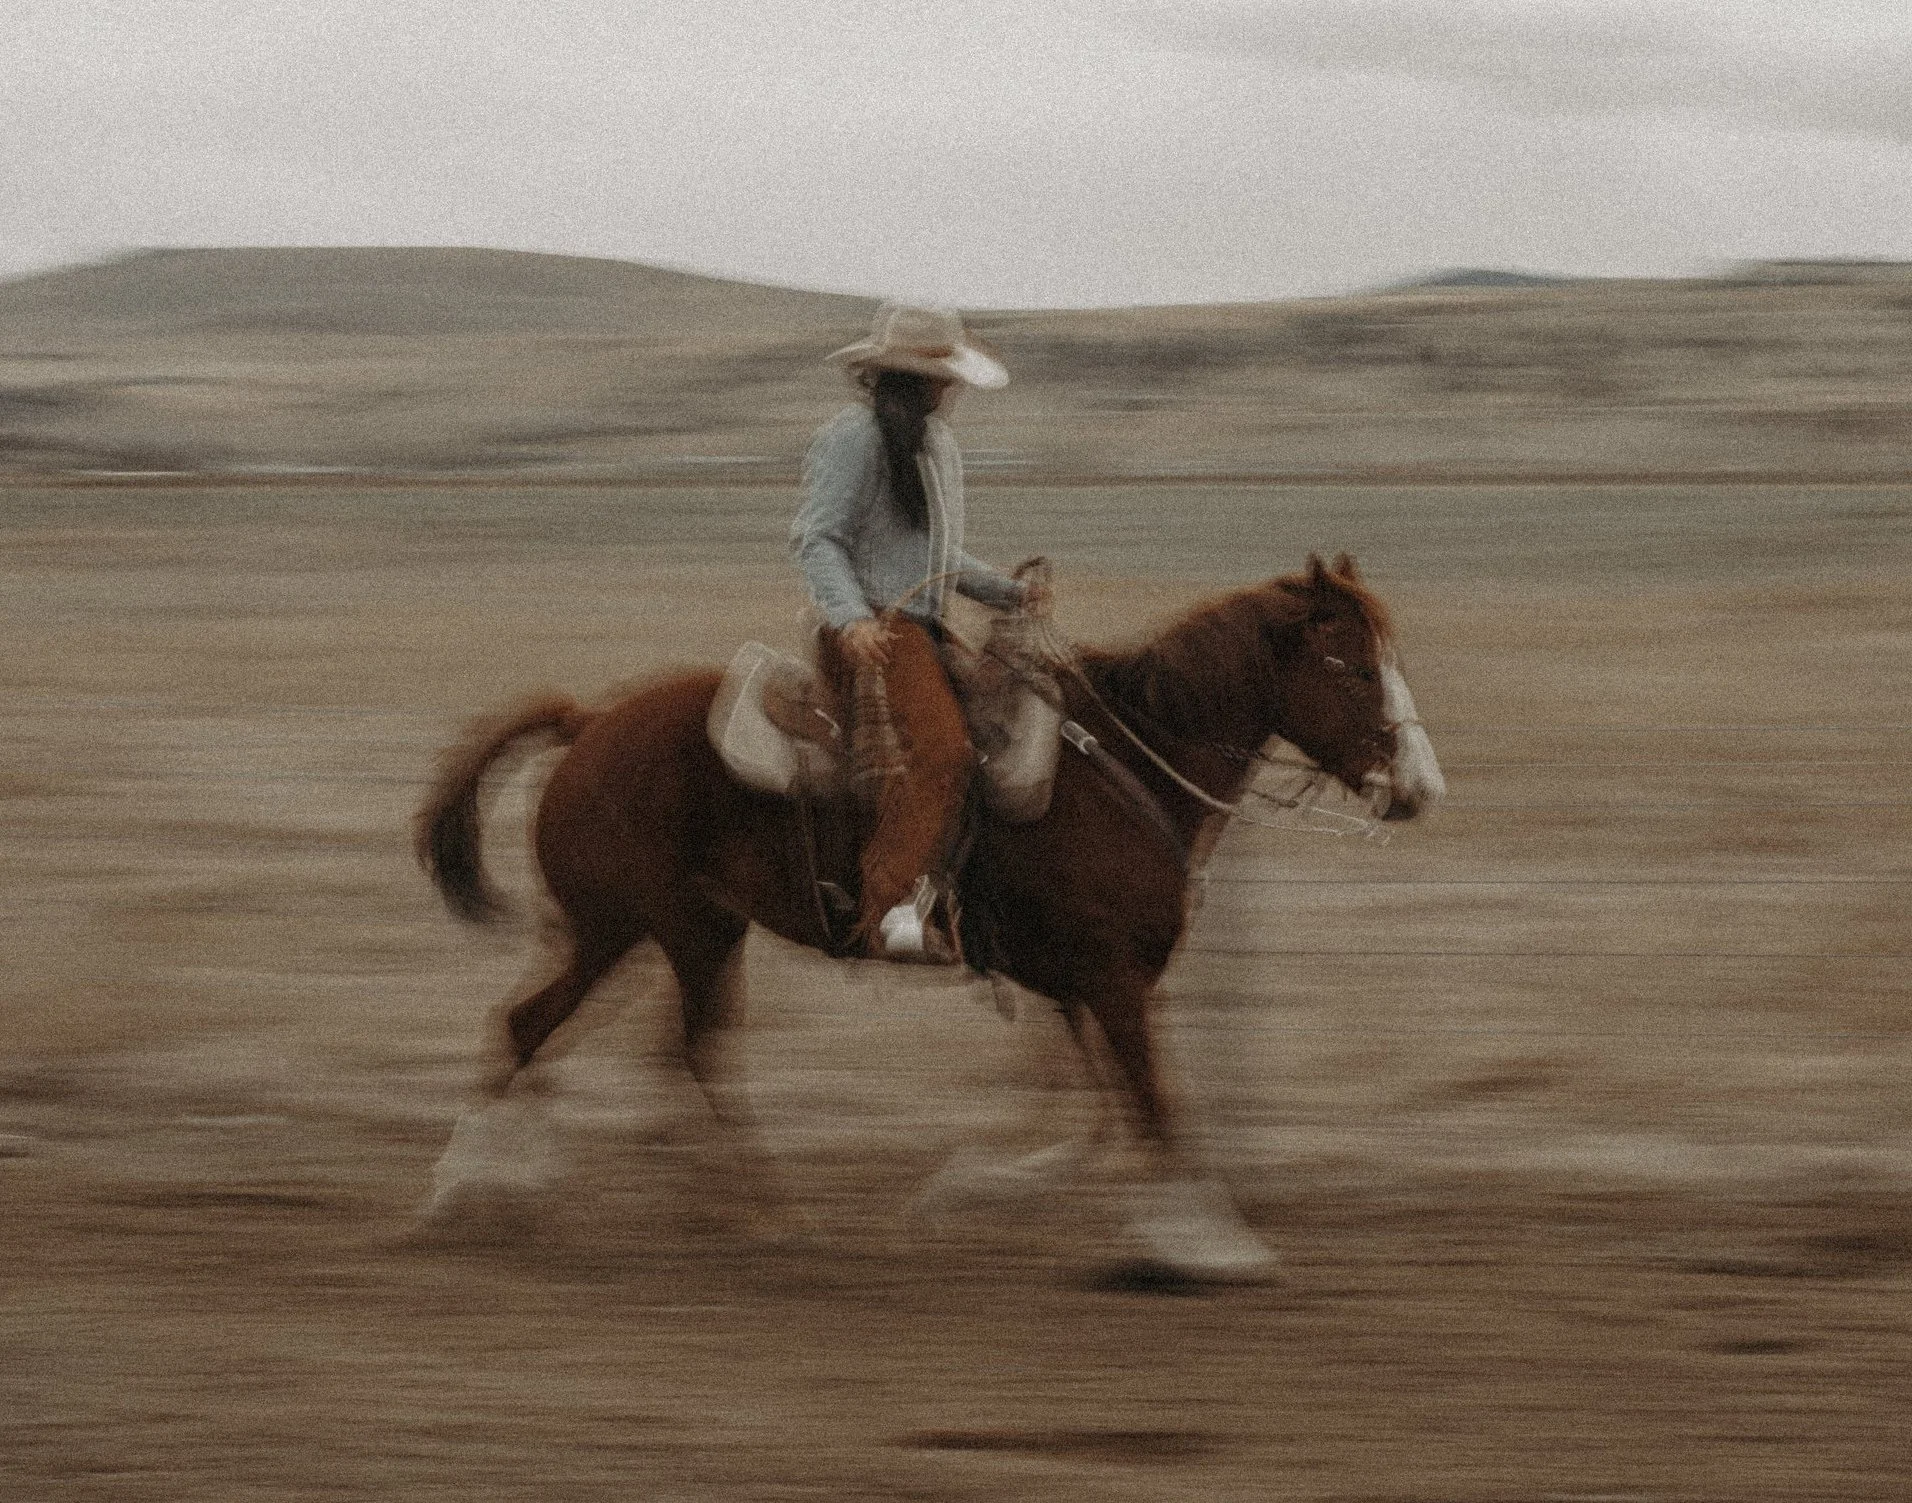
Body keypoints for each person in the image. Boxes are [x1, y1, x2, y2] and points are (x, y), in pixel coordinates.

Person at [790, 303, 1047, 961]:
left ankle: (966, 898)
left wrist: (1011, 592)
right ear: (914, 379)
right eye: (945, 375)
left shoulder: (939, 447)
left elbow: (940, 561)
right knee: (943, 749)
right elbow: (818, 538)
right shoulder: (852, 439)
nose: (954, 387)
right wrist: (850, 621)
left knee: (1013, 722)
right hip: (875, 629)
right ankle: (886, 904)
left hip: (923, 627)